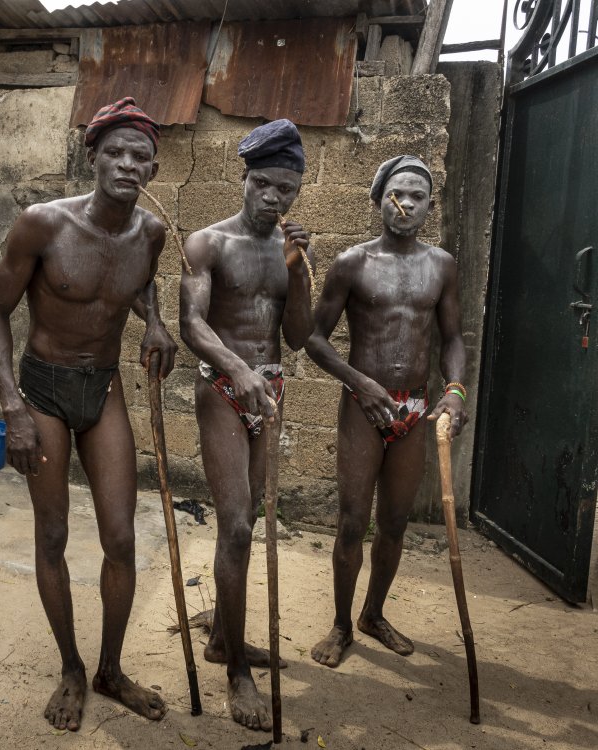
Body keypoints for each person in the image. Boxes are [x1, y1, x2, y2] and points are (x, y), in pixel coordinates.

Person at [0, 97, 177, 731]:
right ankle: (70, 666)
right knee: (55, 535)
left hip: (104, 388)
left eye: (140, 155)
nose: (127, 163)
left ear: (153, 166)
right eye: (115, 152)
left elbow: (140, 280)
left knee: (121, 537)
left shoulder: (151, 232)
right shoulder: (43, 225)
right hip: (41, 392)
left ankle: (109, 669)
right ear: (91, 156)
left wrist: (155, 323)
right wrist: (11, 404)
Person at [305, 155, 467, 668]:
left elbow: (454, 339)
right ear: (380, 200)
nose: (407, 203)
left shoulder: (441, 265)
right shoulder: (353, 263)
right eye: (398, 193)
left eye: (418, 195)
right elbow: (312, 337)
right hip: (362, 406)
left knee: (394, 522)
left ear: (429, 207)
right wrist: (359, 382)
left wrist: (456, 390)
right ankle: (340, 624)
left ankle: (374, 614)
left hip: (415, 407)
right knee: (353, 523)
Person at [179, 119, 314, 730]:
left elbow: (297, 336)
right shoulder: (208, 243)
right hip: (224, 391)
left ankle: (222, 641)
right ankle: (237, 672)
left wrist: (302, 268)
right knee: (234, 525)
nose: (273, 198)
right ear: (244, 176)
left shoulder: (286, 249)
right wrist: (237, 368)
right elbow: (192, 324)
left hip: (272, 391)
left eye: (285, 190)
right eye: (263, 183)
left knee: (252, 521)